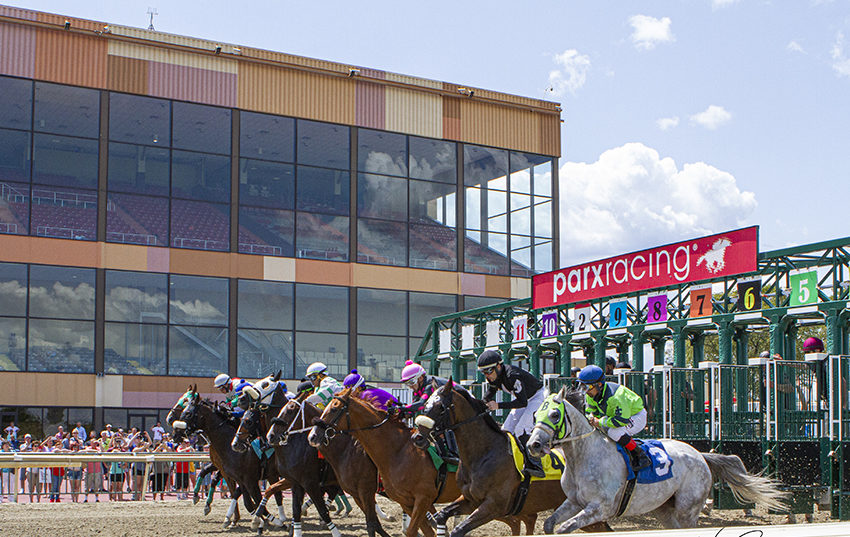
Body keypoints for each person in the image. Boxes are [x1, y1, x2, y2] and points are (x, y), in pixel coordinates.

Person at [479, 350, 546, 478]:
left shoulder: (512, 375)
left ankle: (535, 464)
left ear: (498, 367)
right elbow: (490, 392)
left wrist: (498, 405)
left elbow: (522, 403)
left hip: (537, 396)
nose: (487, 376)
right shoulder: (495, 376)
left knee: (521, 429)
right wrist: (481, 403)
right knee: (506, 430)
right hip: (524, 399)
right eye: (484, 372)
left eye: (488, 371)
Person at [576, 364, 652, 472]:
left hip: (636, 416)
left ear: (599, 384)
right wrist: (591, 417)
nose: (586, 391)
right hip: (614, 417)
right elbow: (590, 412)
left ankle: (640, 455)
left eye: (588, 387)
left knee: (614, 432)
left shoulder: (616, 397)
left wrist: (600, 421)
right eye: (583, 386)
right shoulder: (591, 395)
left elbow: (620, 421)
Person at [395, 360, 458, 464]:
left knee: (441, 423)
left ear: (420, 378)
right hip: (448, 405)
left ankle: (454, 454)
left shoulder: (429, 384)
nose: (410, 386)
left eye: (411, 382)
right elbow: (412, 408)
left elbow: (420, 404)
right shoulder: (419, 388)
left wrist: (401, 408)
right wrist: (403, 412)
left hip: (460, 403)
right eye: (407, 384)